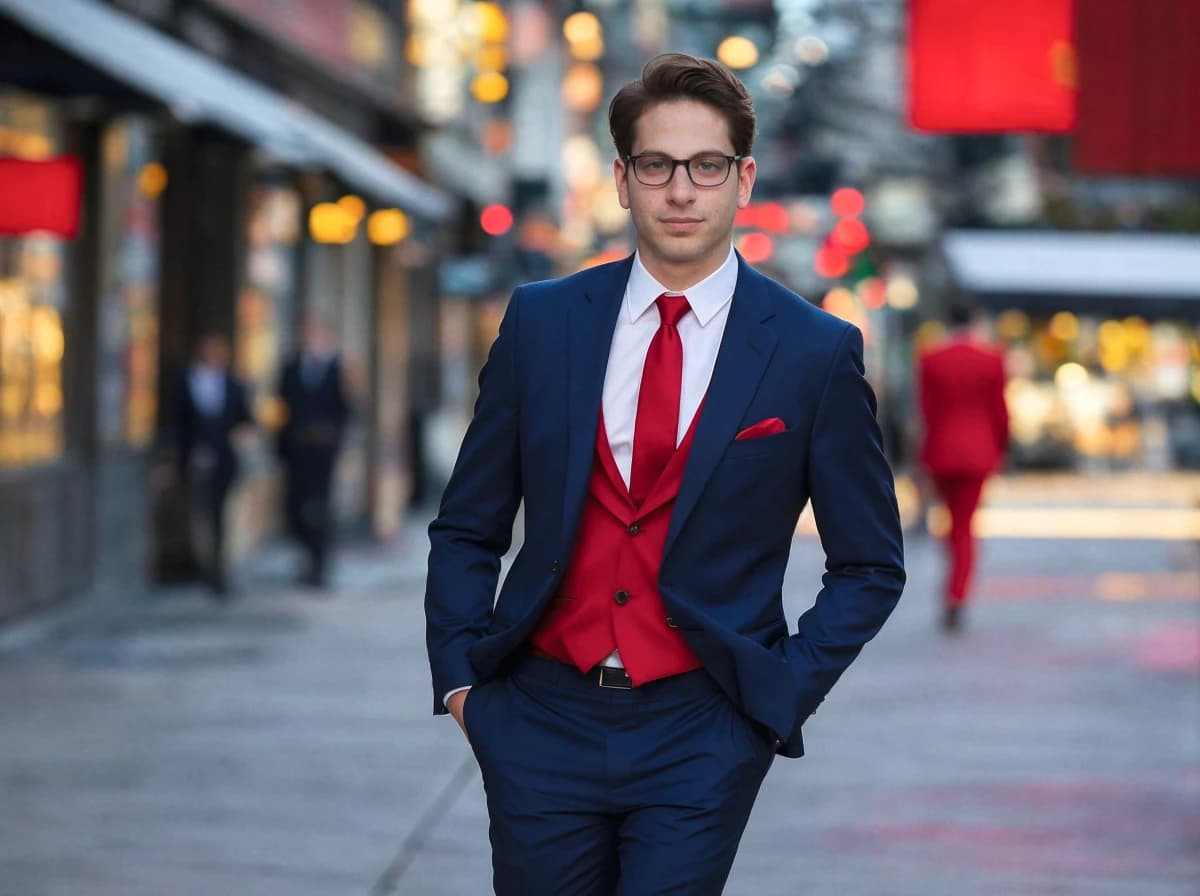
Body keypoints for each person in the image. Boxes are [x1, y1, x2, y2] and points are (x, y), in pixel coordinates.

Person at [425, 53, 905, 895]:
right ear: (622, 178)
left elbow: (869, 564)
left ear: (743, 179)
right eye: (657, 165)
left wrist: (778, 696)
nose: (682, 190)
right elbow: (468, 523)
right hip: (540, 716)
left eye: (707, 166)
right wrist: (465, 683)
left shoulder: (812, 351)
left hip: (701, 729)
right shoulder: (541, 323)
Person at [917, 302, 1009, 633]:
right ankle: (957, 592)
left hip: (941, 450)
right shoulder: (992, 359)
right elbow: (1000, 410)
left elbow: (925, 411)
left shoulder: (929, 358)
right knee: (965, 525)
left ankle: (953, 583)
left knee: (953, 523)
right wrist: (1002, 447)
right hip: (978, 451)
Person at [171, 331, 253, 597]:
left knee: (220, 515)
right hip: (193, 459)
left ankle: (218, 569)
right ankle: (199, 565)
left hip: (223, 460)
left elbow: (245, 419)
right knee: (197, 514)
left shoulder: (233, 384)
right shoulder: (186, 381)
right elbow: (174, 421)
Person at [276, 314, 351, 588]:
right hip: (297, 450)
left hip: (323, 451)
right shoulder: (292, 367)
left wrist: (332, 436)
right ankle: (308, 554)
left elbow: (347, 408)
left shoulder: (337, 368)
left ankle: (320, 564)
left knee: (320, 507)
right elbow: (282, 406)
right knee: (295, 507)